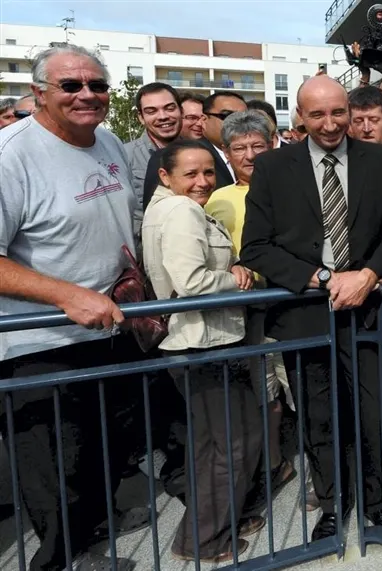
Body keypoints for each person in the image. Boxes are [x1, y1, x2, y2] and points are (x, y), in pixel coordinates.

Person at [0, 44, 142, 571]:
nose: (87, 95)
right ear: (39, 93)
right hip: (41, 343)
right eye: (71, 85)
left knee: (103, 451)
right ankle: (63, 560)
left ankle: (92, 533)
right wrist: (66, 294)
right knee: (56, 470)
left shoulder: (106, 140)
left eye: (97, 85)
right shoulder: (11, 156)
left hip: (108, 329)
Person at [240, 75, 382, 541]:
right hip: (306, 315)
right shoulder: (272, 166)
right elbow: (256, 247)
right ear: (299, 117)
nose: (330, 124)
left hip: (368, 312)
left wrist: (366, 275)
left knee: (374, 415)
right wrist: (327, 279)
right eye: (317, 114)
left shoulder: (381, 160)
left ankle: (379, 504)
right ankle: (332, 503)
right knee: (319, 418)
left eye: (338, 112)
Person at [141, 140, 264, 563]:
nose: (202, 181)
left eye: (208, 172)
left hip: (197, 342)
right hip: (203, 342)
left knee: (214, 442)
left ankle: (216, 523)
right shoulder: (181, 211)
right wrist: (240, 279)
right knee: (235, 442)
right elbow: (191, 282)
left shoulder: (168, 207)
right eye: (190, 174)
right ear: (165, 175)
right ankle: (203, 539)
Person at [203, 110, 298, 495]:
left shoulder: (293, 187)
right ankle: (273, 465)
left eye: (258, 145)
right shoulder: (218, 199)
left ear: (273, 144)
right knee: (266, 394)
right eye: (239, 148)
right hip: (249, 312)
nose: (250, 155)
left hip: (293, 303)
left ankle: (318, 469)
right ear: (227, 153)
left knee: (302, 388)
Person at [125, 82, 183, 248]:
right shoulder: (125, 156)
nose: (163, 116)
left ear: (181, 111)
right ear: (141, 117)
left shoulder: (199, 152)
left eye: (169, 108)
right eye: (152, 111)